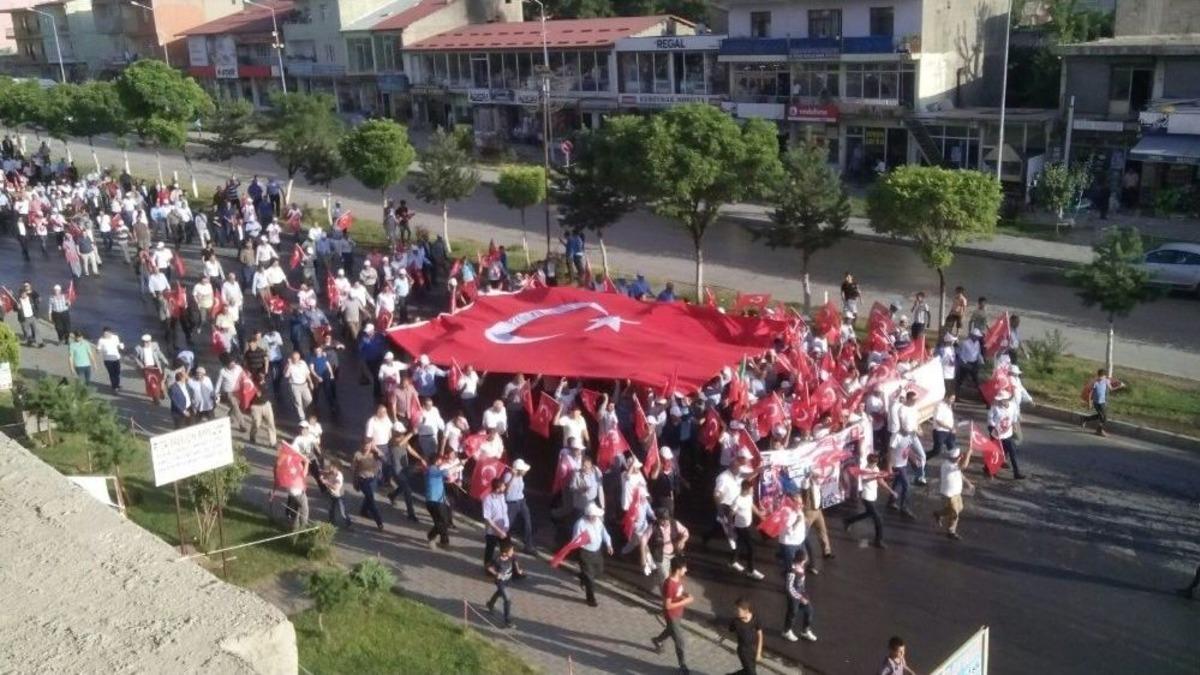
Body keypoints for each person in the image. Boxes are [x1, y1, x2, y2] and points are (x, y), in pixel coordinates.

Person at [843, 453, 895, 548]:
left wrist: (891, 491)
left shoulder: (876, 469)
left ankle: (848, 521)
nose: (874, 464)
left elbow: (881, 481)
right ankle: (878, 541)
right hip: (866, 497)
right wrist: (877, 475)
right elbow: (867, 479)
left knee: (868, 513)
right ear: (869, 462)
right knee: (878, 519)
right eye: (873, 463)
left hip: (873, 496)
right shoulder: (865, 471)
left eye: (876, 463)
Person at [651, 556, 692, 674]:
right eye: (684, 568)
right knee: (680, 641)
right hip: (672, 615)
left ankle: (657, 640)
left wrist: (686, 595)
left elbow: (678, 592)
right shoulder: (669, 584)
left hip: (678, 613)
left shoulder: (677, 579)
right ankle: (682, 666)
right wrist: (686, 601)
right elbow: (668, 605)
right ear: (678, 569)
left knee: (670, 630)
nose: (686, 570)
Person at [574, 503, 613, 607]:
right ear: (588, 516)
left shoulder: (598, 521)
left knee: (599, 571)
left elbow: (604, 533)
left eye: (596, 516)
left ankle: (583, 576)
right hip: (585, 553)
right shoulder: (580, 524)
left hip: (597, 551)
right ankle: (591, 599)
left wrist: (609, 544)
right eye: (594, 516)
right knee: (590, 578)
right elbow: (575, 540)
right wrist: (583, 541)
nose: (595, 518)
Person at [935, 445, 974, 540]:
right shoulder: (947, 466)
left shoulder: (953, 464)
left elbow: (960, 473)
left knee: (959, 508)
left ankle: (939, 514)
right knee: (955, 513)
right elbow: (963, 466)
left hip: (957, 492)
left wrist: (968, 482)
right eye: (959, 456)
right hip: (949, 494)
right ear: (954, 458)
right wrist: (968, 454)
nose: (961, 457)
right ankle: (951, 531)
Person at [730, 479, 765, 580]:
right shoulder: (738, 500)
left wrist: (759, 514)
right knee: (751, 548)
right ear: (746, 489)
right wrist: (731, 525)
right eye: (751, 489)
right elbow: (731, 513)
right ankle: (751, 571)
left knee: (740, 543)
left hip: (748, 524)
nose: (753, 491)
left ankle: (733, 561)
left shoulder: (749, 497)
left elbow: (752, 506)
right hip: (742, 527)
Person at [424, 449, 459, 548]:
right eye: (440, 460)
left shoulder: (435, 471)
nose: (442, 461)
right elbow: (445, 472)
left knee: (443, 521)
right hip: (433, 501)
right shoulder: (431, 469)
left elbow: (444, 480)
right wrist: (457, 465)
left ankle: (443, 541)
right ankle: (431, 536)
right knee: (442, 521)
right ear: (436, 461)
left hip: (439, 500)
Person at [988, 390, 1025, 480]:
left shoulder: (1012, 406)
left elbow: (1014, 417)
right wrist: (994, 427)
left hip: (1008, 434)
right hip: (996, 434)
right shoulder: (994, 407)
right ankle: (988, 468)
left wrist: (1014, 425)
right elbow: (990, 419)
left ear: (1007, 399)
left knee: (1012, 452)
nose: (1001, 401)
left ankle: (1016, 473)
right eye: (1000, 400)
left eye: (1002, 400)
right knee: (995, 453)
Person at [782, 553, 817, 643]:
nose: (804, 563)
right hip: (793, 596)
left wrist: (804, 594)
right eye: (804, 561)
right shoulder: (792, 571)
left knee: (809, 610)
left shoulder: (802, 567)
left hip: (801, 593)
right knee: (792, 613)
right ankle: (786, 631)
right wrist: (800, 597)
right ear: (800, 560)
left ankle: (805, 631)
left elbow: (802, 583)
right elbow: (789, 587)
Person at [485, 540, 521, 629]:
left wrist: (518, 570)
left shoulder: (511, 556)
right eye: (511, 551)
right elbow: (488, 567)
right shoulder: (497, 559)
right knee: (507, 599)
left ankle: (490, 604)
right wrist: (496, 573)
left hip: (507, 580)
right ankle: (507, 621)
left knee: (499, 593)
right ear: (504, 553)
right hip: (500, 581)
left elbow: (515, 561)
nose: (513, 552)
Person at [351, 439, 385, 531]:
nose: (366, 447)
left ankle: (363, 511)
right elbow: (353, 469)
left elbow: (384, 459)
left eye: (368, 445)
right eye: (364, 444)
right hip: (362, 480)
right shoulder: (358, 455)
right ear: (361, 445)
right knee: (371, 500)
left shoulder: (374, 454)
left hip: (373, 479)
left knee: (369, 496)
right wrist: (354, 482)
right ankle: (379, 522)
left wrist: (376, 449)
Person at [505, 459, 535, 554]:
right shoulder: (508, 476)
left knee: (527, 522)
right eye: (523, 470)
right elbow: (506, 490)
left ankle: (528, 546)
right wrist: (513, 477)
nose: (525, 472)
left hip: (521, 501)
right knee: (507, 524)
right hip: (511, 503)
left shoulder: (521, 477)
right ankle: (501, 540)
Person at [727, 598, 764, 675]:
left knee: (747, 671)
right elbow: (730, 631)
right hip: (743, 651)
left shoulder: (755, 618)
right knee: (752, 673)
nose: (735, 612)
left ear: (746, 611)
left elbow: (760, 635)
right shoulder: (735, 622)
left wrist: (758, 652)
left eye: (738, 611)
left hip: (753, 650)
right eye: (735, 610)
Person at [482, 477, 512, 570]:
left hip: (504, 529)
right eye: (503, 486)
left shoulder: (502, 496)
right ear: (497, 488)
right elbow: (487, 518)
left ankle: (506, 568)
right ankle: (488, 568)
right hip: (493, 532)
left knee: (508, 550)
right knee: (490, 551)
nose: (505, 487)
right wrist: (499, 531)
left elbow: (509, 488)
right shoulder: (488, 499)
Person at [1082, 368, 1122, 437]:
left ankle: (1085, 419)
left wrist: (1119, 386)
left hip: (1102, 402)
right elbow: (1090, 393)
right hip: (1096, 402)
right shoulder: (1095, 383)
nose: (1101, 378)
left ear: (1105, 376)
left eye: (1102, 376)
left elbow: (1111, 389)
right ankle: (1099, 430)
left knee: (1101, 416)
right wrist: (1089, 403)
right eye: (1099, 376)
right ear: (1098, 375)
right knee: (1104, 417)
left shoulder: (1106, 381)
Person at [321, 460, 351, 529]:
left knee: (342, 511)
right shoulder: (331, 473)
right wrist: (322, 475)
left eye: (331, 466)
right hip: (332, 494)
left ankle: (348, 523)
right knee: (331, 509)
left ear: (336, 468)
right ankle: (331, 522)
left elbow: (335, 487)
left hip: (339, 496)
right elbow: (325, 473)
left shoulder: (339, 476)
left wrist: (326, 482)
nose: (329, 467)